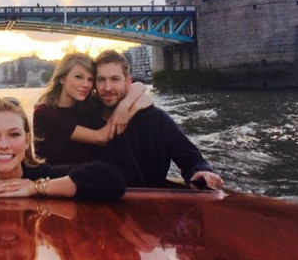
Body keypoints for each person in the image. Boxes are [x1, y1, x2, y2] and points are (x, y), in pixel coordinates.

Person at [94, 50, 224, 189]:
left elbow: (189, 157)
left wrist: (200, 171)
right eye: (101, 80)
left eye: (115, 79)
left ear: (128, 82)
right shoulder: (87, 119)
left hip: (149, 199)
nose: (107, 88)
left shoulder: (155, 119)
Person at [33, 52, 151, 165]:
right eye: (78, 77)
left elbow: (140, 88)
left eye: (90, 79)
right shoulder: (44, 113)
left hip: (87, 176)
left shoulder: (87, 106)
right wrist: (127, 112)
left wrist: (124, 106)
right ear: (63, 78)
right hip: (54, 177)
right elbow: (101, 138)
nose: (86, 84)